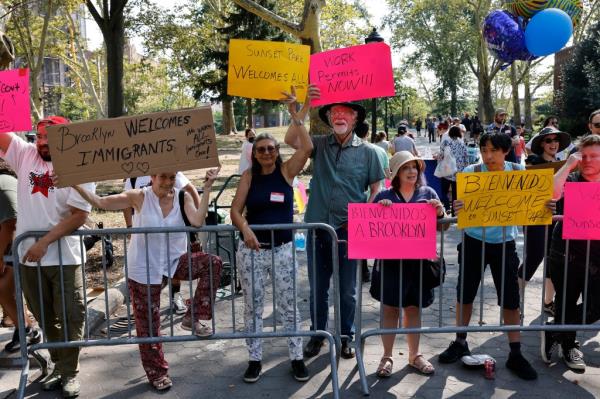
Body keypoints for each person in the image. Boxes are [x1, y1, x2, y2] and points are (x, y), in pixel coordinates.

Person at [73, 168, 223, 391]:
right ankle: (157, 373)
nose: (167, 182)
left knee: (213, 263)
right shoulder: (139, 196)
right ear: (152, 177)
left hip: (174, 262)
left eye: (172, 177)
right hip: (144, 267)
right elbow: (101, 202)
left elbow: (198, 220)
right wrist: (74, 184)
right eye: (162, 177)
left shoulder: (182, 196)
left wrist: (208, 188)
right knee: (149, 326)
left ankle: (193, 316)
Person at [439, 132, 555, 380]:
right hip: (473, 241)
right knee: (464, 293)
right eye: (484, 150)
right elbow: (460, 207)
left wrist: (547, 206)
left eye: (493, 150)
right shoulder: (471, 172)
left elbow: (535, 203)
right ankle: (460, 341)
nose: (488, 155)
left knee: (511, 298)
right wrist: (457, 207)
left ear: (505, 151)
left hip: (505, 243)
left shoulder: (518, 172)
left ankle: (515, 352)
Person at [0, 116, 95, 398]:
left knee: (71, 317)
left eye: (49, 137)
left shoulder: (81, 164)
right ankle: (57, 366)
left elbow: (80, 215)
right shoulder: (24, 153)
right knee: (44, 316)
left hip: (65, 258)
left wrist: (44, 242)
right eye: (39, 136)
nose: (42, 142)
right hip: (30, 259)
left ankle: (70, 372)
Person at [284, 94, 384, 360]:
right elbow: (291, 140)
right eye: (334, 112)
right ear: (328, 118)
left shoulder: (369, 152)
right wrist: (297, 111)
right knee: (317, 286)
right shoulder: (317, 144)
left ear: (355, 118)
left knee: (348, 289)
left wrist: (365, 214)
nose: (339, 116)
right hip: (318, 226)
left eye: (345, 112)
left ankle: (346, 337)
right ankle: (318, 334)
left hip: (349, 231)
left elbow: (377, 188)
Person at [230, 86, 314, 383]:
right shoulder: (248, 177)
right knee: (253, 305)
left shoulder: (287, 172)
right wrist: (246, 230)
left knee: (288, 304)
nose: (266, 152)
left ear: (277, 153)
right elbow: (235, 211)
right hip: (252, 250)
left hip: (282, 249)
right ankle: (254, 358)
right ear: (254, 153)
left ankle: (296, 357)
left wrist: (296, 114)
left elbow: (306, 149)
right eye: (261, 149)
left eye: (271, 149)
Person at [370, 151, 445, 378]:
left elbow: (443, 228)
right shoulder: (384, 195)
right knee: (390, 308)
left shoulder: (428, 193)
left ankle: (414, 355)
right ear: (396, 173)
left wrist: (440, 213)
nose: (411, 171)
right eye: (405, 168)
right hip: (391, 264)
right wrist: (378, 211)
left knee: (413, 308)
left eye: (414, 167)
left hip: (419, 263)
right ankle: (387, 356)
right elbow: (371, 230)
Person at [542, 135, 600, 372]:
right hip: (566, 252)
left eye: (594, 156)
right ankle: (569, 346)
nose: (587, 160)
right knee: (566, 300)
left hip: (597, 256)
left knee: (596, 306)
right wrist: (567, 165)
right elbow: (553, 194)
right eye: (583, 156)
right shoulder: (572, 177)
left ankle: (553, 329)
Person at [122, 172, 201, 316]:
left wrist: (199, 210)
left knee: (175, 264)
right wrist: (129, 226)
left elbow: (190, 189)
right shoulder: (133, 177)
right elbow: (126, 202)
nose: (167, 181)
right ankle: (148, 305)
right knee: (151, 271)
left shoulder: (169, 171)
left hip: (172, 233)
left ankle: (175, 296)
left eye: (170, 178)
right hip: (146, 232)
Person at [521, 127, 571, 316]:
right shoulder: (534, 162)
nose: (553, 144)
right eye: (548, 140)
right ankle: (515, 300)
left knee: (553, 260)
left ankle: (548, 302)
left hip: (557, 219)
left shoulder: (562, 163)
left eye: (555, 140)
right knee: (534, 258)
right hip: (536, 219)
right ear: (542, 144)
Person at [0, 160, 41, 353]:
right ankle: (24, 329)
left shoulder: (3, 182)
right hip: (13, 246)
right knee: (9, 291)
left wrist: (0, 254)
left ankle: (27, 330)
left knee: (4, 289)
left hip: (14, 247)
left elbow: (11, 222)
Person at [438, 126, 468, 216]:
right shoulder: (462, 143)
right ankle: (454, 213)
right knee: (455, 193)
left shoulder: (446, 142)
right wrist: (465, 169)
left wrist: (439, 165)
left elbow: (441, 155)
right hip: (458, 172)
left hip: (447, 171)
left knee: (444, 191)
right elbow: (466, 157)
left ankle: (447, 207)